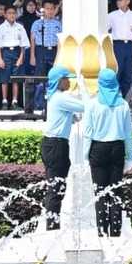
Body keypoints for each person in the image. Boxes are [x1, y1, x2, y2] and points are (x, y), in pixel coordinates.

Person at [83, 68, 132, 237]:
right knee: (116, 193)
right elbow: (128, 134)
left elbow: (88, 133)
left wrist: (84, 156)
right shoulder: (124, 105)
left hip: (98, 149)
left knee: (100, 192)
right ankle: (116, 232)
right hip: (117, 149)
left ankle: (102, 231)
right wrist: (130, 157)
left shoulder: (92, 104)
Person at [41, 65, 84, 230]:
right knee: (56, 187)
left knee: (56, 186)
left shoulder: (56, 97)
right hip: (56, 145)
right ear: (59, 81)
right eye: (66, 79)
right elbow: (85, 106)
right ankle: (52, 228)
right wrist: (86, 95)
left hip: (52, 144)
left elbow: (69, 117)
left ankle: (53, 223)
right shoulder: (60, 98)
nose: (69, 82)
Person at [0, 5, 29, 110]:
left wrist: (21, 58)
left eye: (13, 13)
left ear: (16, 15)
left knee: (15, 79)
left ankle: (14, 101)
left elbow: (23, 44)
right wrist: (0, 59)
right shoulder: (1, 27)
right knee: (4, 78)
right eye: (9, 13)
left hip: (17, 52)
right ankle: (4, 101)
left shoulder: (20, 27)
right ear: (5, 15)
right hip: (5, 53)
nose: (12, 15)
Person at [107, 0, 132, 99]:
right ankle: (114, 98)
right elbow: (104, 32)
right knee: (117, 72)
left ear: (128, 1)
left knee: (128, 75)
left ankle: (122, 97)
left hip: (129, 47)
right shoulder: (111, 15)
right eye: (117, 0)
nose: (118, 2)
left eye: (121, 0)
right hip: (117, 46)